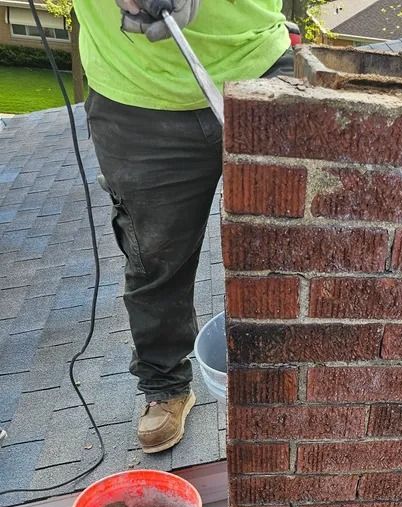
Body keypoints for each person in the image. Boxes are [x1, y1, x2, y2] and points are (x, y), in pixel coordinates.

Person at [73, 0, 293, 452]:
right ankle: (166, 386)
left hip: (256, 64)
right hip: (135, 96)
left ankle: (290, 381)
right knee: (154, 259)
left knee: (289, 249)